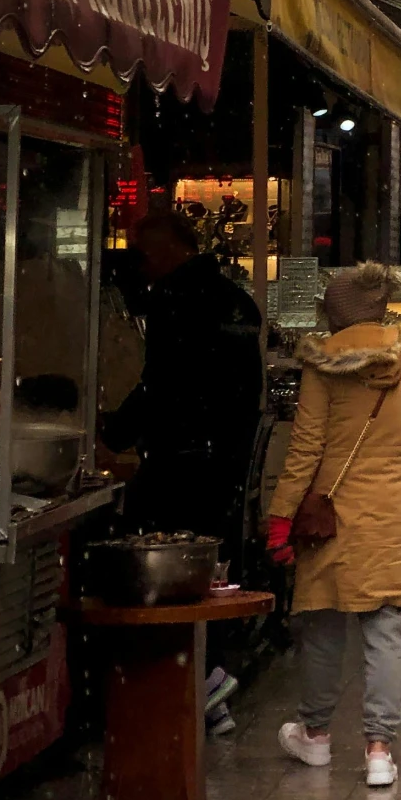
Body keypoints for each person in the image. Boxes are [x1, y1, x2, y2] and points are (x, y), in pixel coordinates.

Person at [268, 263, 401, 790]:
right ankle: (379, 750)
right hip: (393, 512)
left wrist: (280, 515)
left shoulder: (324, 368)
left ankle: (316, 735)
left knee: (321, 624)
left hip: (334, 515)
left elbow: (306, 448)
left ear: (334, 315)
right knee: (386, 630)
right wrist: (397, 490)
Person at [101, 209, 264, 558]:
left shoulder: (176, 299)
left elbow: (164, 380)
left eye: (141, 254)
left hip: (181, 460)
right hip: (225, 455)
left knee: (155, 553)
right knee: (210, 554)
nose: (141, 266)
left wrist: (112, 435)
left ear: (163, 250)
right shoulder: (235, 299)